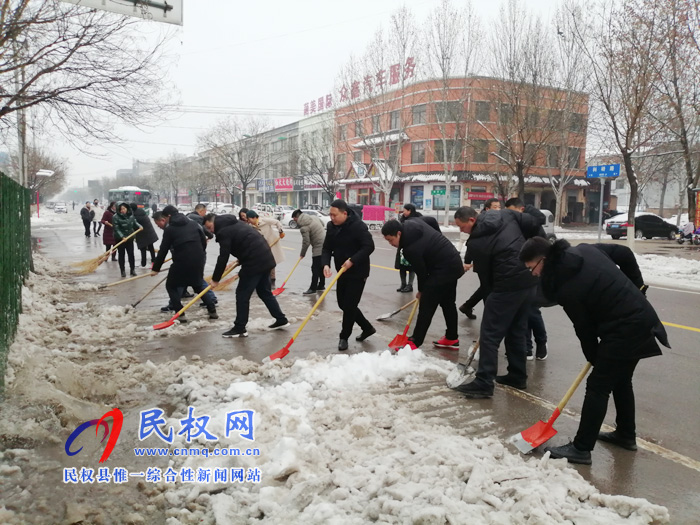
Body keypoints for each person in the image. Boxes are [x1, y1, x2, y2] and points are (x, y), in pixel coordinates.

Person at [519, 237, 669, 464]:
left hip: (625, 329)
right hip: (639, 320)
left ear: (545, 259)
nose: (534, 274)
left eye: (533, 268)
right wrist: (638, 288)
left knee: (598, 386)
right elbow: (625, 254)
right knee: (621, 379)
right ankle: (626, 435)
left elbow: (584, 328)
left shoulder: (566, 285)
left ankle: (581, 448)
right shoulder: (585, 250)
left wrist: (594, 356)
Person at [452, 206, 543, 398]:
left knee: (490, 334)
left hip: (506, 286)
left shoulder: (477, 242)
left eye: (461, 227)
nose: (461, 231)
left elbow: (486, 279)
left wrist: (491, 302)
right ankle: (518, 376)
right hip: (529, 279)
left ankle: (484, 383)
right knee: (517, 329)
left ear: (471, 220)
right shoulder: (505, 214)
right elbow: (534, 222)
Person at [382, 218, 464, 349]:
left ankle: (415, 342)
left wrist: (421, 291)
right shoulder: (412, 222)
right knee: (448, 303)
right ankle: (452, 338)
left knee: (426, 307)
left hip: (442, 270)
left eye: (391, 240)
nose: (391, 243)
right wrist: (439, 241)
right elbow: (431, 220)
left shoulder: (410, 249)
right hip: (453, 262)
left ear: (398, 233)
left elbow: (422, 272)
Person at [204, 213, 289, 338]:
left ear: (215, 222)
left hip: (254, 262)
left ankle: (240, 327)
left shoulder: (224, 231)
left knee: (242, 294)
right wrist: (242, 258)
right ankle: (281, 319)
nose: (210, 230)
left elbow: (223, 256)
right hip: (265, 258)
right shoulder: (235, 223)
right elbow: (246, 241)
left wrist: (215, 279)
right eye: (207, 229)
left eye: (210, 227)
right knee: (264, 292)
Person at [322, 199, 376, 351]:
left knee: (350, 305)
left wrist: (353, 260)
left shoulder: (358, 226)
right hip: (342, 270)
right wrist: (325, 264)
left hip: (358, 271)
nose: (332, 218)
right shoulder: (331, 226)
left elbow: (368, 247)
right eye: (330, 215)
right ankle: (367, 327)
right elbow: (326, 248)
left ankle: (344, 337)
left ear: (344, 213)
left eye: (334, 215)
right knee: (342, 304)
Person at [151, 208, 218, 321]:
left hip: (182, 260)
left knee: (171, 286)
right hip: (198, 259)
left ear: (168, 216)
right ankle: (212, 311)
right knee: (197, 285)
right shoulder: (193, 224)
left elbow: (163, 250)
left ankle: (180, 313)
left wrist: (156, 268)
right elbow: (203, 241)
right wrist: (199, 254)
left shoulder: (170, 229)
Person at [505, 197, 549, 361]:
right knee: (522, 310)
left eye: (512, 211)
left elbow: (542, 249)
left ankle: (541, 343)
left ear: (520, 209)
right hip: (520, 268)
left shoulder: (532, 224)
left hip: (535, 269)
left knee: (532, 310)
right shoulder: (515, 225)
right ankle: (527, 347)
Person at [459, 198, 501, 319]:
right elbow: (472, 242)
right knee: (487, 289)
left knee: (486, 287)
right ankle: (489, 318)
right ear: (487, 209)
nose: (498, 209)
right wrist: (467, 261)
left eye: (499, 207)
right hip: (483, 263)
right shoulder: (483, 222)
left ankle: (467, 306)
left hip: (491, 262)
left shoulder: (494, 221)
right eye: (495, 207)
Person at [244, 210, 285, 288]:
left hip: (272, 243)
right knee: (262, 262)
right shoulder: (252, 227)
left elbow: (277, 222)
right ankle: (262, 280)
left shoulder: (265, 221)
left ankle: (272, 280)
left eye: (249, 219)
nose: (249, 221)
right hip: (262, 246)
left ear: (254, 217)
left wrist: (281, 231)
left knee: (271, 261)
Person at [292, 209, 326, 294]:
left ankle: (313, 288)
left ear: (297, 217)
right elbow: (322, 224)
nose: (295, 221)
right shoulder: (313, 217)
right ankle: (321, 285)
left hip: (318, 246)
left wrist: (302, 254)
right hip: (326, 243)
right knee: (321, 266)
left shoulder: (304, 227)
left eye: (294, 219)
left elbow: (306, 242)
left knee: (315, 268)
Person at [112, 202, 141, 277]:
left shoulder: (130, 216)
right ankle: (122, 271)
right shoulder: (115, 217)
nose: (123, 210)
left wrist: (139, 226)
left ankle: (132, 269)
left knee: (131, 254)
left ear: (127, 208)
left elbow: (134, 223)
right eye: (121, 209)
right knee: (121, 255)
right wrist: (122, 236)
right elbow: (116, 228)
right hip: (120, 239)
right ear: (118, 209)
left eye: (124, 208)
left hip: (129, 237)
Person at [131, 202, 158, 267]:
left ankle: (143, 263)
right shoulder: (142, 212)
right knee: (151, 247)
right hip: (149, 233)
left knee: (143, 248)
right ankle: (153, 260)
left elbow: (134, 225)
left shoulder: (135, 216)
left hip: (142, 234)